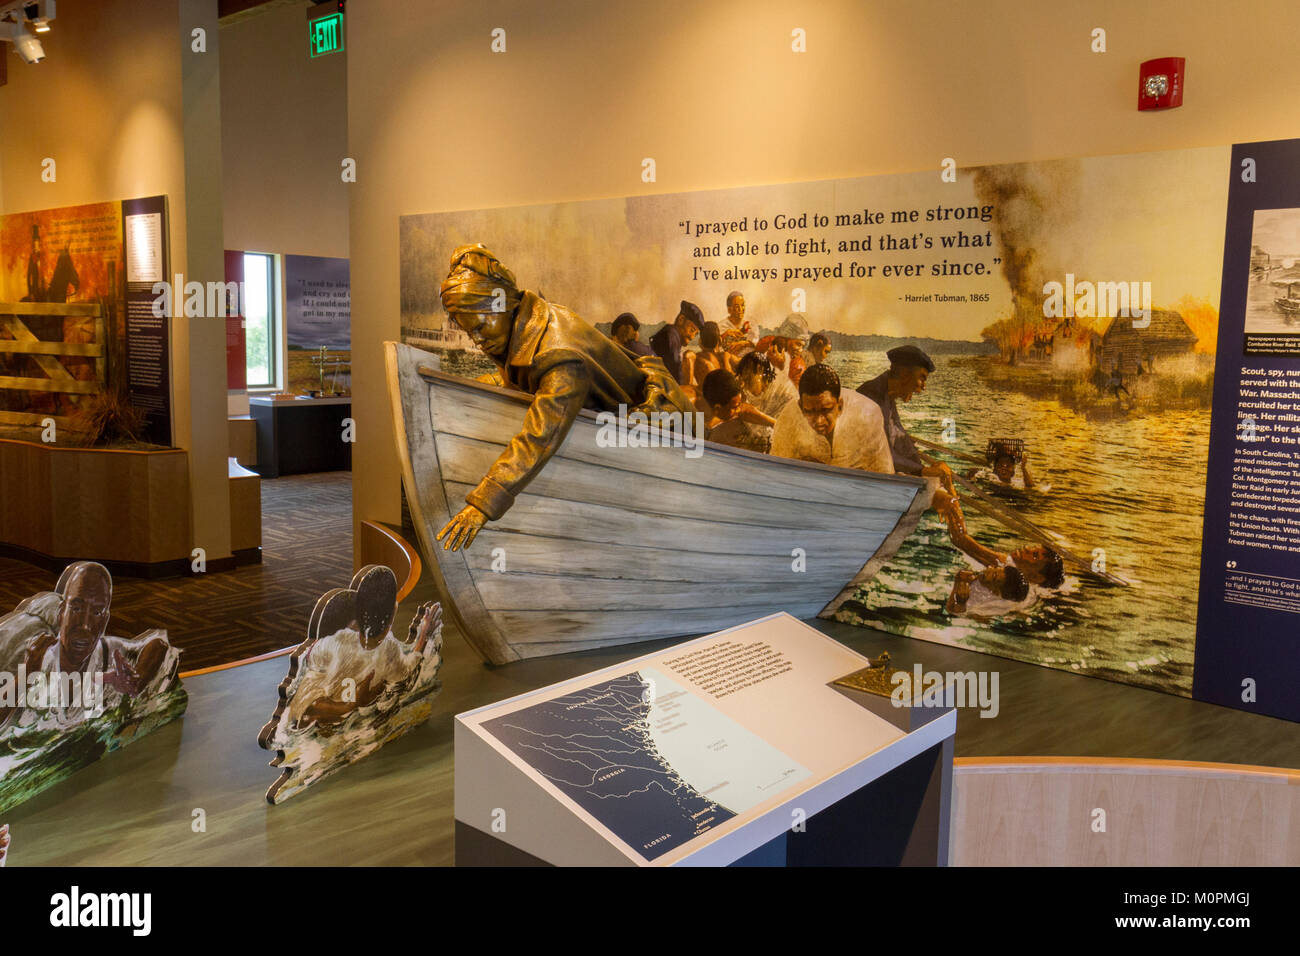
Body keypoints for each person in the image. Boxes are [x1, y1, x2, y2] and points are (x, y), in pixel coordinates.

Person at [434, 245, 694, 552]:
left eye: (479, 326)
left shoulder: (559, 355)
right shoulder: (529, 320)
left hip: (667, 439)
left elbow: (540, 436)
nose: (477, 340)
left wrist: (483, 503)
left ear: (500, 303)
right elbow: (523, 379)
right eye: (469, 332)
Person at [1, 561, 177, 731]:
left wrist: (138, 680)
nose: (85, 625)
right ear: (62, 613)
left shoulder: (106, 652)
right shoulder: (37, 657)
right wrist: (27, 673)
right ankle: (56, 603)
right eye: (76, 609)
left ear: (105, 620)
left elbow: (158, 644)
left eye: (97, 612)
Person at [856, 344, 958, 498]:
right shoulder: (872, 396)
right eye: (922, 378)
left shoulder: (887, 394)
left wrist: (926, 467)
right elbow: (879, 452)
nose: (923, 387)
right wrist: (922, 470)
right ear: (904, 375)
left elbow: (901, 439)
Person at [772, 364, 893, 473]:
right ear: (801, 407)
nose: (819, 421)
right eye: (809, 412)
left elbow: (883, 472)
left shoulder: (868, 414)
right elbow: (777, 470)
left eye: (825, 410)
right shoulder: (789, 417)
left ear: (839, 405)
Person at [701, 368, 775, 453]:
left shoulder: (732, 411)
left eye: (739, 404)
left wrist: (774, 423)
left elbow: (745, 411)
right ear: (718, 408)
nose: (739, 409)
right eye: (735, 407)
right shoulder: (709, 430)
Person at [649, 300, 704, 384]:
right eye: (692, 330)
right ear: (681, 320)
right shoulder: (671, 336)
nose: (692, 337)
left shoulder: (671, 334)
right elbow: (675, 373)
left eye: (696, 334)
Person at [946, 565, 1033, 618]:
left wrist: (959, 583)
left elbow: (953, 611)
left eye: (994, 577)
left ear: (995, 591)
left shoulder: (979, 600)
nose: (989, 569)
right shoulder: (980, 578)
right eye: (995, 568)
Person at [738, 348, 796, 419]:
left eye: (748, 380)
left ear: (760, 369)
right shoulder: (764, 386)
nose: (745, 388)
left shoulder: (781, 390)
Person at [683, 321, 729, 390]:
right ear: (720, 340)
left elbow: (688, 385)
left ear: (700, 341)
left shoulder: (695, 357)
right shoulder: (725, 356)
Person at [719, 291, 757, 355]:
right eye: (737, 306)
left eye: (742, 305)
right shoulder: (721, 327)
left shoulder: (751, 326)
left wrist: (745, 343)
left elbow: (756, 346)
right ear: (729, 309)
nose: (740, 309)